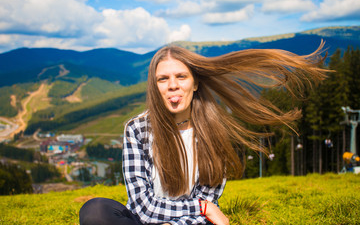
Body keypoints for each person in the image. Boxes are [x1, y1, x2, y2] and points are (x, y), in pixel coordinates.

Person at [79, 43, 327, 225]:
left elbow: (209, 203)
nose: (172, 85)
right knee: (95, 211)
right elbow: (143, 206)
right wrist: (201, 206)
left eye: (181, 76)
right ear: (154, 87)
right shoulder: (137, 129)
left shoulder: (213, 132)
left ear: (195, 83)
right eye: (162, 79)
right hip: (146, 220)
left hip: (190, 223)